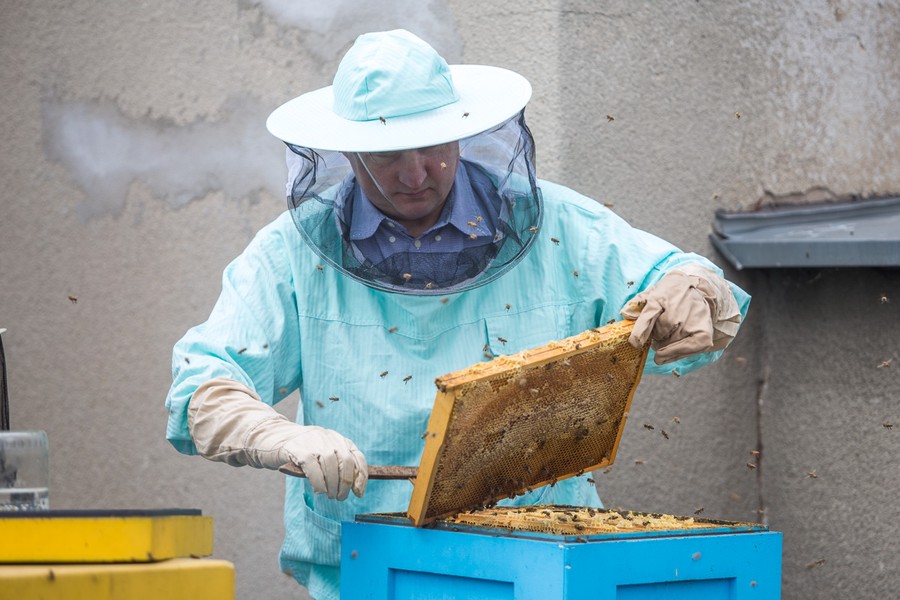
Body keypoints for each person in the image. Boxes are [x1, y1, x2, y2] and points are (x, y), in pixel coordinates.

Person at [165, 29, 749, 600]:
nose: (415, 174)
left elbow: (683, 278)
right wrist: (280, 437)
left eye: (434, 148)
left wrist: (689, 289)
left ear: (463, 135)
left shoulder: (557, 226)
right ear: (347, 152)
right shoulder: (290, 252)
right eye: (389, 156)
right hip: (370, 566)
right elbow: (203, 387)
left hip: (545, 556)